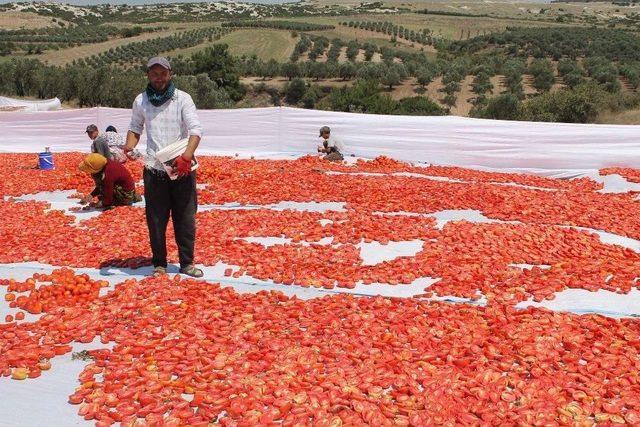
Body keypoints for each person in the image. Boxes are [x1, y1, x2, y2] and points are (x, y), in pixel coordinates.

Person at [124, 56, 204, 278]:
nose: (158, 78)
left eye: (163, 73)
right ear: (148, 75)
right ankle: (159, 263)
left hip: (181, 169)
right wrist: (129, 147)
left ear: (170, 74)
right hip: (154, 171)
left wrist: (187, 157)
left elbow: (196, 130)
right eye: (154, 73)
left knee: (185, 218)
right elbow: (135, 127)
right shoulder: (141, 101)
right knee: (156, 220)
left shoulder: (182, 99)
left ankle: (186, 263)